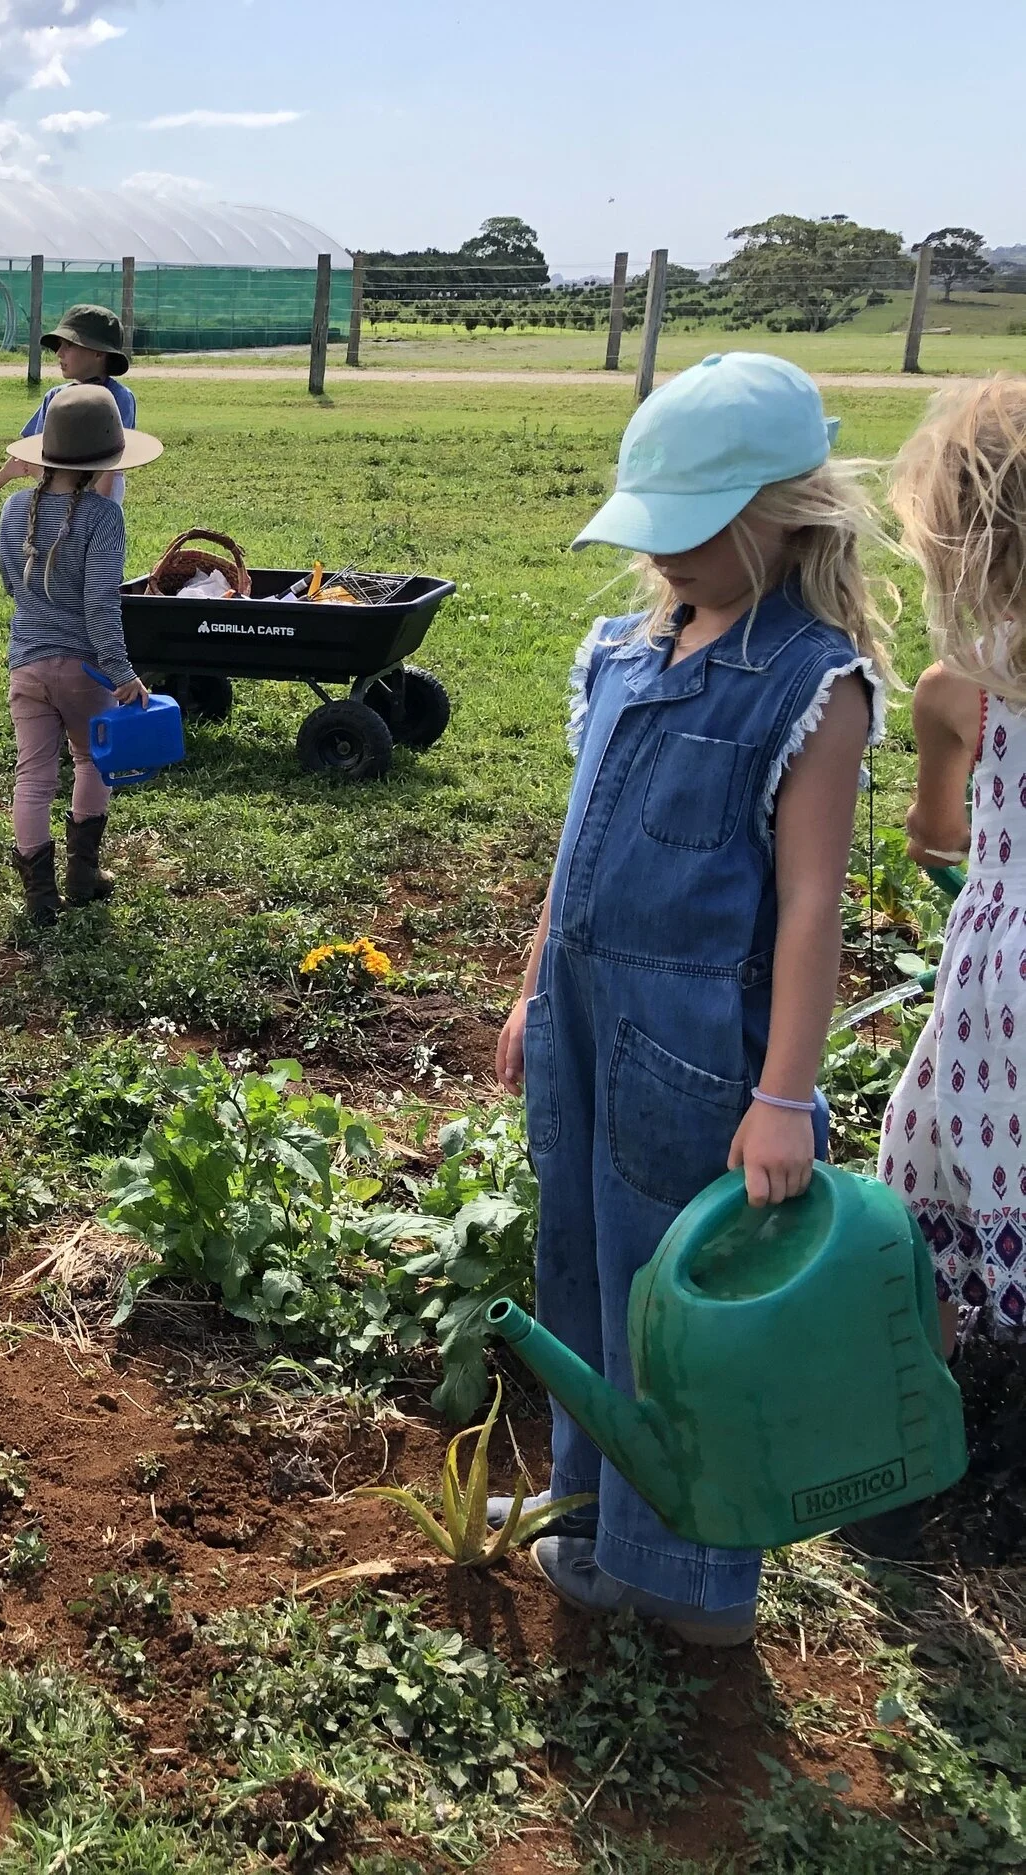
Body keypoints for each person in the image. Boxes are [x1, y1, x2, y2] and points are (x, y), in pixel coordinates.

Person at [495, 353, 893, 1644]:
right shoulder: (626, 651)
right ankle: (591, 1518)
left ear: (772, 517)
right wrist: (530, 986)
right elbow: (577, 844)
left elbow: (814, 908)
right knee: (581, 1274)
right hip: (581, 1029)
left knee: (683, 1309)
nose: (662, 563)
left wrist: (783, 1093)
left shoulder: (813, 686)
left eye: (688, 539)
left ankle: (696, 1576)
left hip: (697, 1062)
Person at [876, 379, 1026, 1339]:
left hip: (1003, 978)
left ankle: (930, 1416)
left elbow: (936, 835)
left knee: (922, 1160)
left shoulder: (961, 685)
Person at [0, 381, 163, 925]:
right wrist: (122, 674)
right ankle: (83, 874)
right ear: (104, 462)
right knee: (92, 760)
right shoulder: (102, 517)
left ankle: (41, 899)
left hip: (26, 664)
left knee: (34, 777)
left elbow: (9, 583)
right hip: (84, 668)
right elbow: (101, 605)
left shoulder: (15, 509)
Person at [0, 303, 139, 505]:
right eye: (59, 345)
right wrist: (55, 495)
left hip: (100, 495)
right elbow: (36, 453)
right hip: (55, 490)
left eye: (69, 345)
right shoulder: (56, 397)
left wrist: (98, 508)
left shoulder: (119, 397)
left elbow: (111, 463)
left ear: (99, 353)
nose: (59, 353)